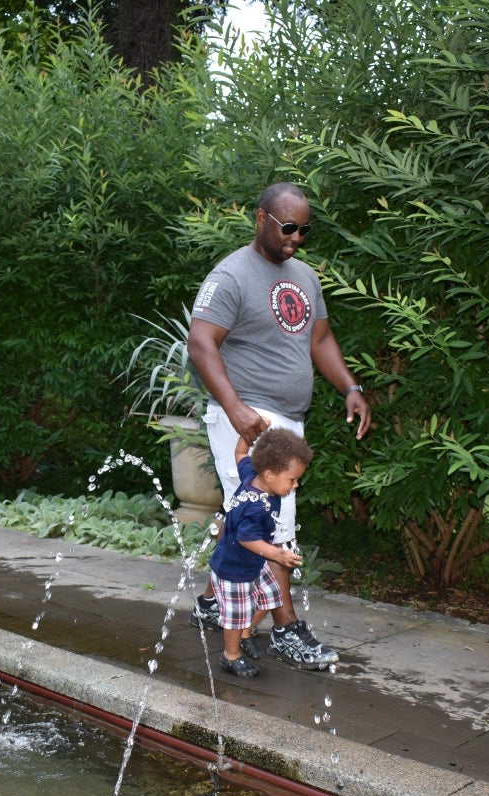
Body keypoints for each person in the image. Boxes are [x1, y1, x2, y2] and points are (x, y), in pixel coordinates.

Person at [187, 181, 371, 669]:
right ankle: (286, 628)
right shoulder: (230, 275)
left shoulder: (305, 277)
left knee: (244, 510)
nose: (295, 238)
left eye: (304, 230)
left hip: (289, 420)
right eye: (288, 227)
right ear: (261, 218)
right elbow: (201, 343)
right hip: (247, 418)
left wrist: (351, 388)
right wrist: (235, 409)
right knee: (271, 520)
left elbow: (321, 339)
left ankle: (213, 601)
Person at [211, 426, 313, 678]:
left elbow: (239, 455)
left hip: (253, 562)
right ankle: (231, 656)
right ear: (269, 474)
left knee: (271, 598)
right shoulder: (256, 506)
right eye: (292, 479)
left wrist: (248, 435)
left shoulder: (253, 476)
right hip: (233, 569)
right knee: (236, 616)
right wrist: (277, 554)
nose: (296, 485)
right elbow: (246, 538)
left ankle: (245, 634)